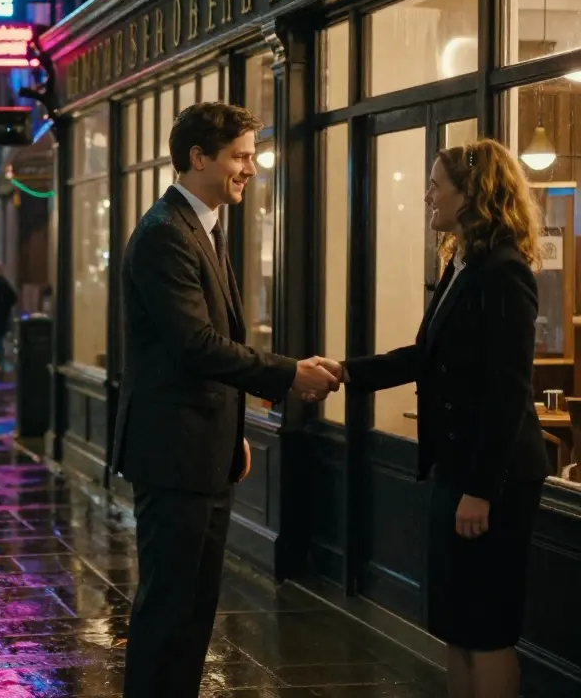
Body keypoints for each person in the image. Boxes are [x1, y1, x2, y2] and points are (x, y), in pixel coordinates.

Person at [113, 102, 339, 698]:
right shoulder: (166, 234)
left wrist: (232, 428)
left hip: (201, 449)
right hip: (174, 454)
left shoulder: (202, 226)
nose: (251, 169)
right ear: (198, 157)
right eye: (240, 156)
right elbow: (197, 346)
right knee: (169, 611)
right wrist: (290, 374)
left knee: (192, 611)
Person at [316, 139, 548, 698]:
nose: (426, 197)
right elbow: (425, 356)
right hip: (456, 469)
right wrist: (345, 371)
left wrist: (481, 491)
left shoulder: (504, 272)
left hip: (492, 480)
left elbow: (508, 391)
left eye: (435, 186)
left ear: (472, 195)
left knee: (487, 629)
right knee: (457, 625)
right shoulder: (462, 264)